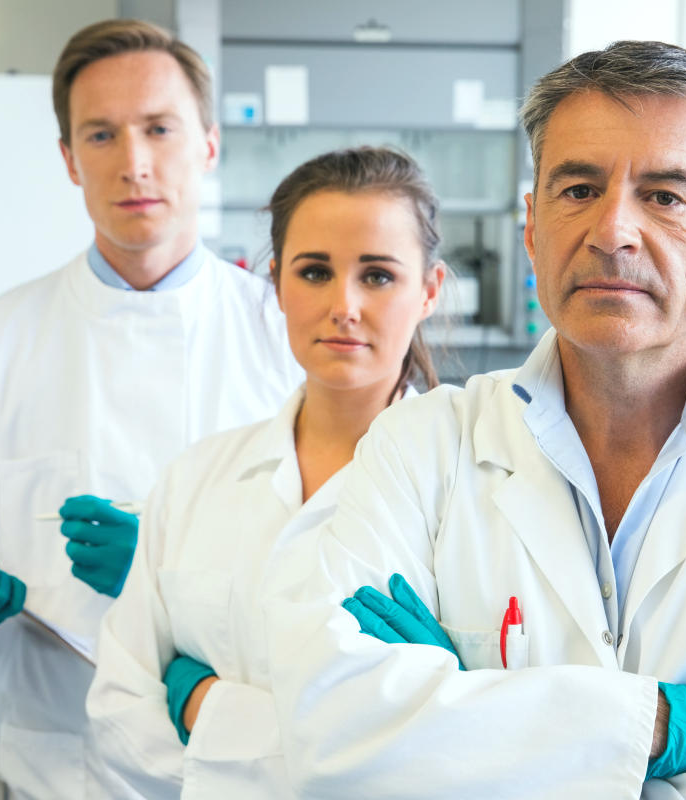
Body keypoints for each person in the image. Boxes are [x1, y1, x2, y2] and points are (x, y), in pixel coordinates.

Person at [265, 40, 686, 798]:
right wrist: (658, 727)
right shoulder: (418, 447)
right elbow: (330, 745)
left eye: (665, 195)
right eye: (578, 189)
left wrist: (465, 713)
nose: (612, 232)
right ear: (532, 227)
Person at [0, 19, 303, 798]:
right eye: (102, 135)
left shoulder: (286, 335)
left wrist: (165, 578)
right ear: (69, 160)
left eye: (159, 129)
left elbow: (343, 572)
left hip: (249, 764)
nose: (135, 162)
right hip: (56, 767)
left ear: (209, 143)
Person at [85, 145, 447, 798]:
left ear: (429, 290)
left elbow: (476, 758)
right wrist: (360, 748)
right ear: (276, 282)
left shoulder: (478, 495)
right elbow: (119, 724)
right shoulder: (195, 480)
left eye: (378, 276)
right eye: (314, 272)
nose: (344, 305)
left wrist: (215, 717)